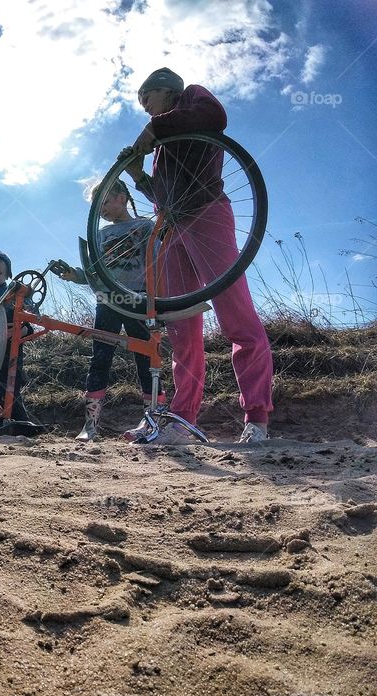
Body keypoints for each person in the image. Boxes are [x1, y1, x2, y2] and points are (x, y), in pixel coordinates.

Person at [120, 67, 273, 444]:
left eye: (146, 98)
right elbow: (164, 198)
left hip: (207, 214)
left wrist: (153, 129)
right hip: (173, 228)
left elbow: (215, 116)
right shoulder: (163, 143)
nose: (145, 107)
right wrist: (138, 176)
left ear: (166, 89)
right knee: (182, 328)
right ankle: (181, 420)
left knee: (235, 315)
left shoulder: (192, 98)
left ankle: (256, 417)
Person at [55, 179, 167, 441]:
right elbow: (94, 272)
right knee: (100, 358)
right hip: (107, 301)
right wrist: (74, 274)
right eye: (96, 206)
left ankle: (153, 418)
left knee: (146, 358)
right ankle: (90, 424)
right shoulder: (100, 235)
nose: (101, 209)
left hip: (138, 299)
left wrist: (159, 302)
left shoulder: (145, 227)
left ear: (122, 198)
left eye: (104, 202)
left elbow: (158, 264)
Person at [0, 251, 30, 423]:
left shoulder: (14, 294)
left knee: (13, 384)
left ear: (7, 275)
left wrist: (25, 330)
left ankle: (20, 419)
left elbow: (27, 317)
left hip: (12, 346)